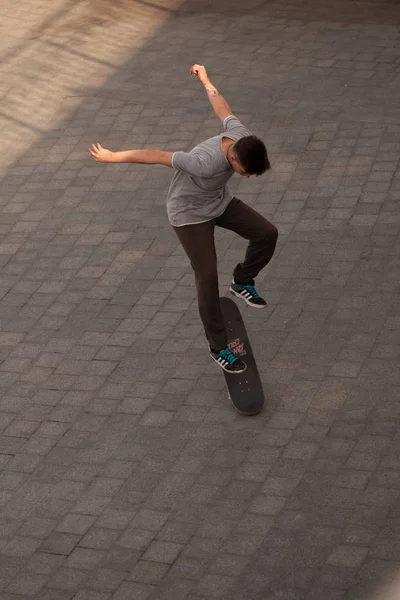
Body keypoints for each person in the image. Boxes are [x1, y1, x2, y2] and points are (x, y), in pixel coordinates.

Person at [89, 64, 278, 374]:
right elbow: (156, 155)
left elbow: (222, 105)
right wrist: (113, 157)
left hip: (217, 202)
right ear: (233, 159)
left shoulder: (241, 137)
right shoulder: (202, 163)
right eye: (244, 172)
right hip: (188, 215)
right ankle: (219, 347)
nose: (246, 177)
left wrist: (205, 79)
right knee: (206, 276)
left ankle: (242, 281)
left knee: (267, 234)